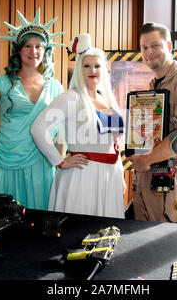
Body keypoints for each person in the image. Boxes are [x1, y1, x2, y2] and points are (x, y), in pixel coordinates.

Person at [0, 9, 65, 210]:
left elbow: (62, 132)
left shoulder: (56, 87)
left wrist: (59, 164)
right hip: (7, 166)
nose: (33, 51)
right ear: (18, 49)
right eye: (27, 46)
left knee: (40, 228)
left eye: (38, 46)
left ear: (45, 50)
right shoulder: (3, 83)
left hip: (42, 166)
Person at [31, 33, 126, 218]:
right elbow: (38, 128)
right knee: (80, 232)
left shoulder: (108, 100)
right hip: (83, 177)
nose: (93, 70)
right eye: (87, 66)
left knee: (104, 234)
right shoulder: (70, 97)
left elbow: (113, 144)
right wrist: (59, 161)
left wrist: (120, 173)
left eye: (97, 66)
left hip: (110, 177)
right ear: (79, 70)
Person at [128, 22, 177, 223]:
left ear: (169, 46)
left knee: (166, 247)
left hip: (170, 182)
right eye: (144, 47)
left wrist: (145, 160)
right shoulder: (151, 86)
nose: (149, 52)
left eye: (155, 45)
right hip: (145, 179)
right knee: (140, 243)